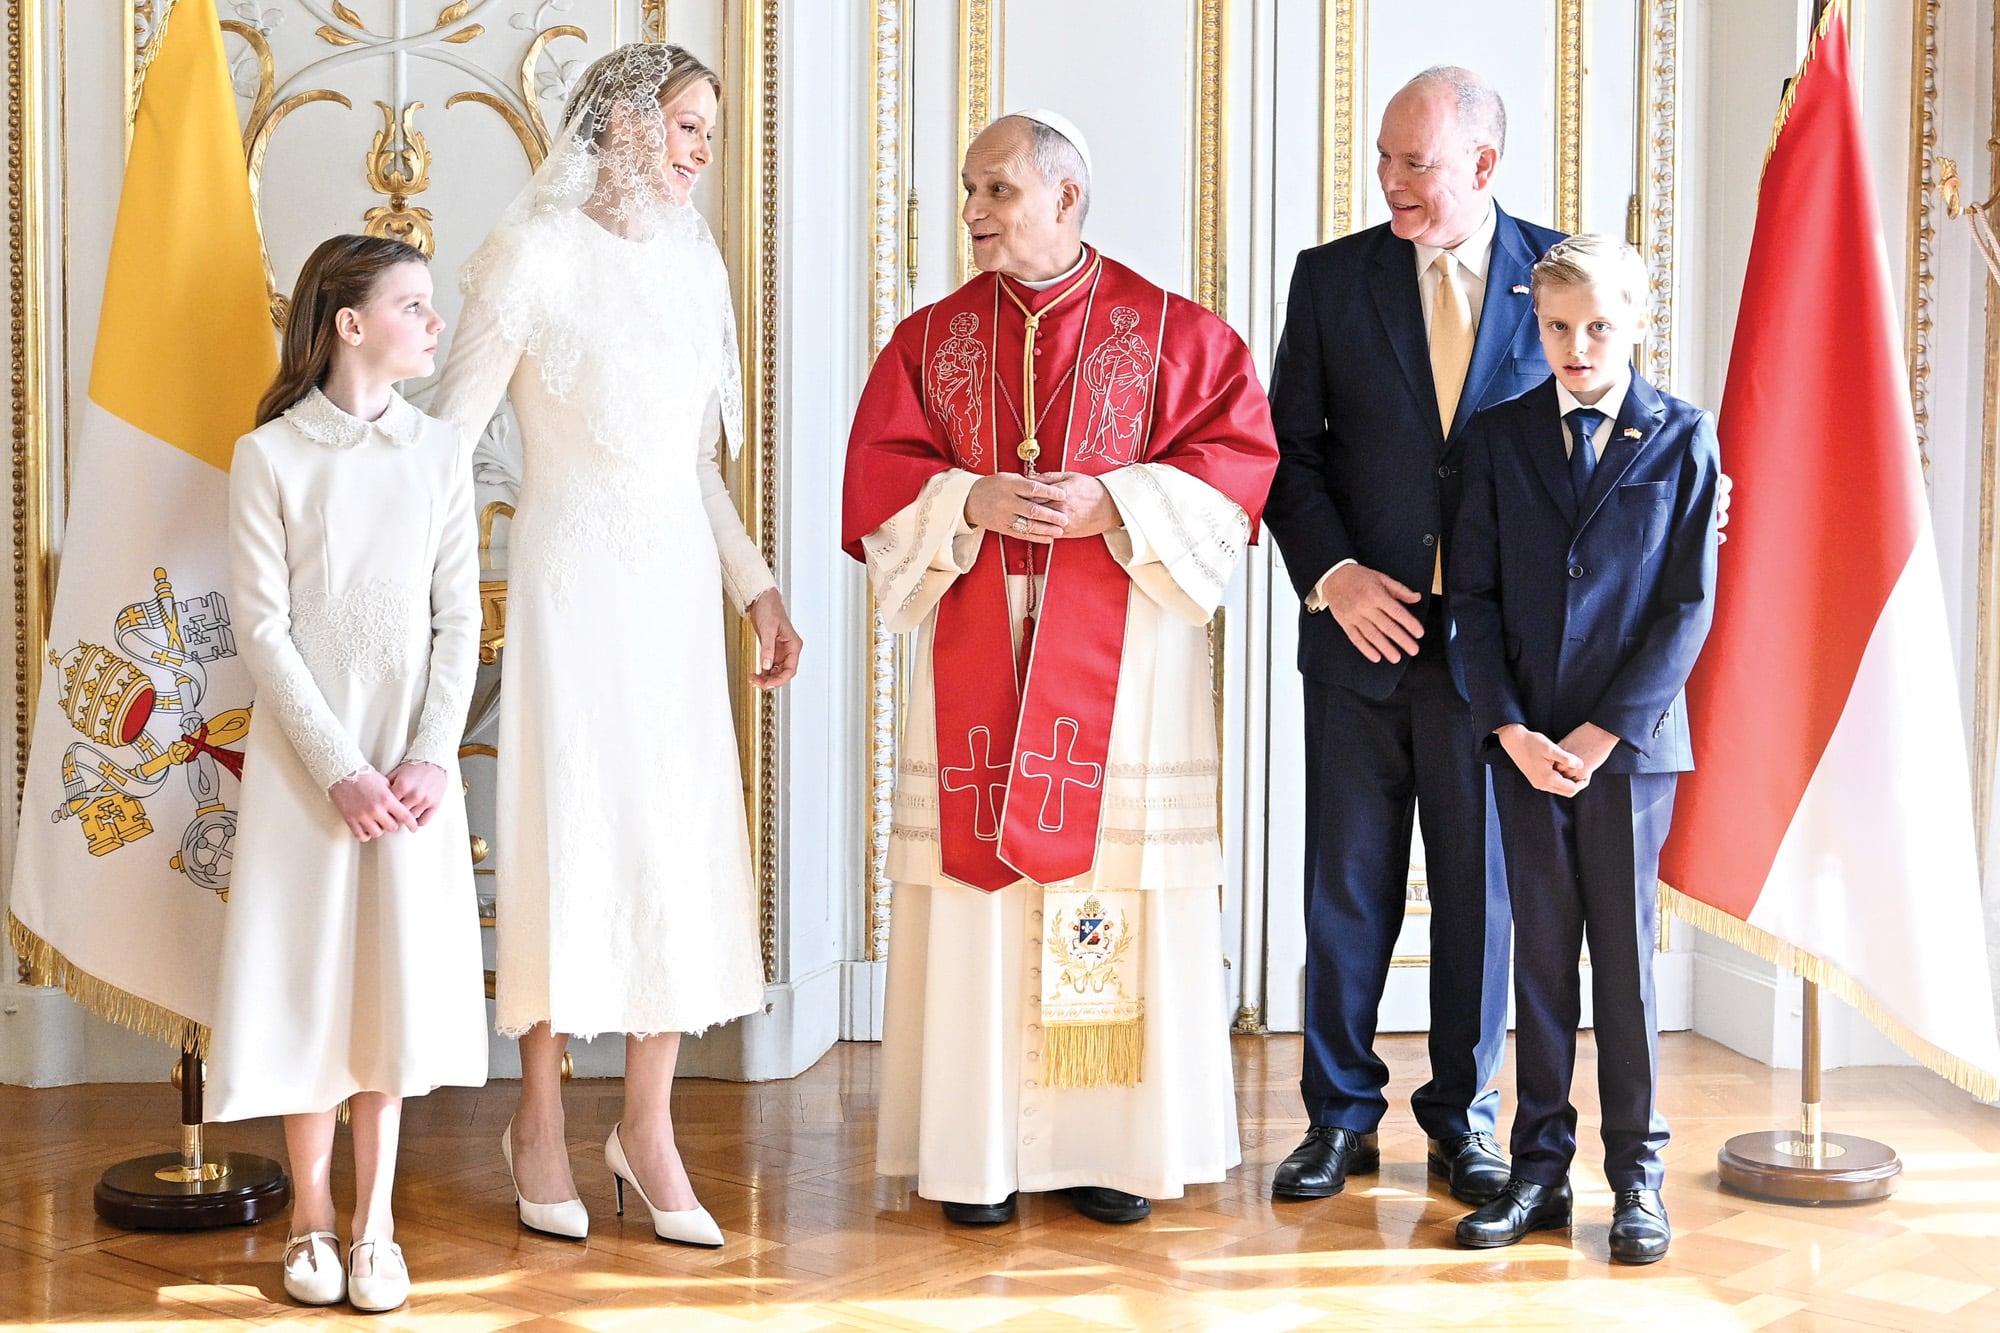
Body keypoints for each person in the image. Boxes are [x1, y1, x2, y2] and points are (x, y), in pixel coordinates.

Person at [842, 110, 1278, 1226]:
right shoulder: (929, 337)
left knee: (1107, 883)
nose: (974, 214)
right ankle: (975, 1150)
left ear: (1064, 197)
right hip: (976, 640)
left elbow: (1235, 472)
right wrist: (967, 498)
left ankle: (1103, 1146)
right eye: (968, 192)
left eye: (997, 192)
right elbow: (880, 481)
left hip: (1122, 660)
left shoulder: (1172, 331)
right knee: (979, 889)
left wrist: (1117, 500)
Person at [428, 43, 803, 1248]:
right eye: (688, 128)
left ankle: (645, 1126)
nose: (701, 154)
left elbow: (693, 464)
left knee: (675, 839)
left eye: (709, 133)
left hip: (672, 592)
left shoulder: (698, 269)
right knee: (569, 825)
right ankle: (537, 1115)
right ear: (628, 123)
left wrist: (756, 590)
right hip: (568, 581)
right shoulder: (530, 255)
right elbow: (448, 442)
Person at [1262, 66, 1562, 1205]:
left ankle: (1461, 1118)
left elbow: (1613, 432)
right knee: (1344, 889)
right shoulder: (1331, 279)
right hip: (1356, 645)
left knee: (1480, 898)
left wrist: (1698, 490)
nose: (1389, 182)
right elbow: (1285, 453)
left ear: (1482, 166)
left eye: (1414, 164)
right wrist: (1332, 576)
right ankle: (1336, 1117)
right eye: (1383, 159)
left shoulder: (1561, 272)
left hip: (1494, 658)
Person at [207, 234, 486, 1313]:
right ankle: (310, 1217)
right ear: (350, 325)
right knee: (311, 982)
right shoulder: (268, 457)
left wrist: (424, 756)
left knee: (389, 986)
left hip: (409, 771)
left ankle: (375, 1224)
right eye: (414, 305)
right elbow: (264, 632)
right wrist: (337, 769)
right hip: (307, 769)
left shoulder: (439, 452)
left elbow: (458, 617)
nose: (434, 323)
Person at [1449, 234, 1718, 1263]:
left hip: (1629, 750)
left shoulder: (1680, 437)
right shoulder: (1494, 437)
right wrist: (1508, 726)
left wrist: (1605, 732)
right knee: (1539, 964)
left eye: (1597, 326)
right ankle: (1536, 1172)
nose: (1575, 345)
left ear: (1636, 323)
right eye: (1557, 326)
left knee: (1623, 966)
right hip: (1522, 743)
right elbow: (1467, 596)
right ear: (1535, 321)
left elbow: (1686, 606)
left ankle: (1636, 1178)